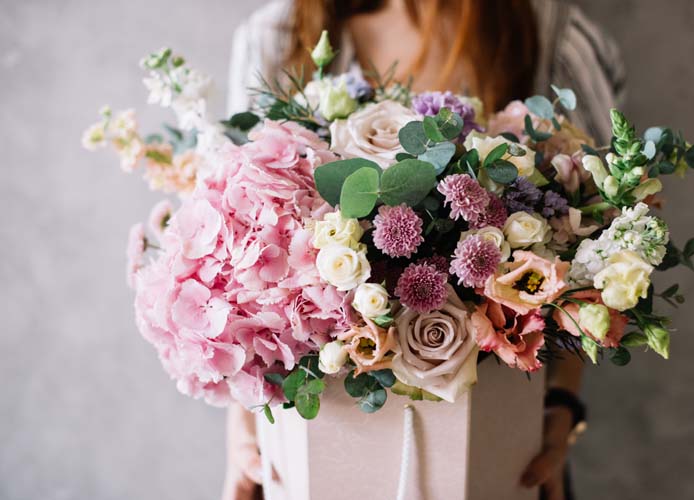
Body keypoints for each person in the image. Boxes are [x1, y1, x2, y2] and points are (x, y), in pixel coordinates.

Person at [223, 1, 625, 499]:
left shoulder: (553, 33)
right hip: (314, 455)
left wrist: (562, 410)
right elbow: (235, 252)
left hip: (496, 455)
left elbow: (598, 253)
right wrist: (242, 431)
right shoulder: (275, 38)